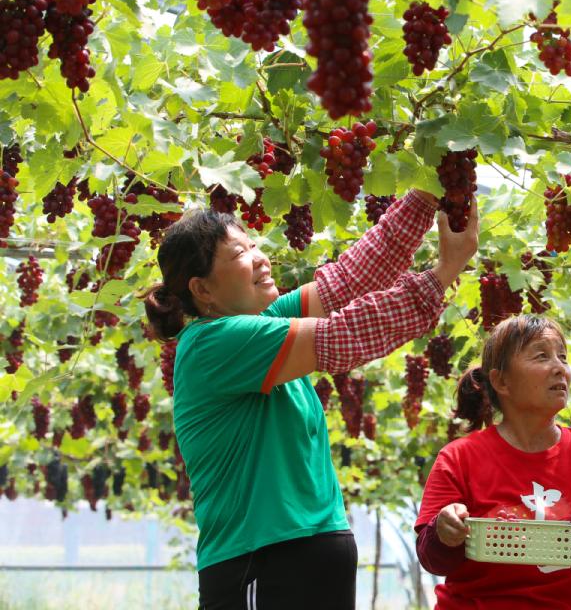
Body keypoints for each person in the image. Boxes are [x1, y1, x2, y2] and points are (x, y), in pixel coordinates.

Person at [142, 189, 478, 610]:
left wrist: (424, 195)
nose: (262, 257)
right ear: (202, 289)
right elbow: (347, 334)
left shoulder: (264, 323)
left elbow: (351, 280)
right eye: (240, 253)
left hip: (311, 555)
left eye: (254, 244)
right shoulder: (212, 344)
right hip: (261, 563)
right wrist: (445, 270)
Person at [414, 315, 571, 609]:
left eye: (562, 356)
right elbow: (431, 556)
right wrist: (443, 531)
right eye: (541, 356)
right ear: (501, 381)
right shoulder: (459, 458)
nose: (560, 368)